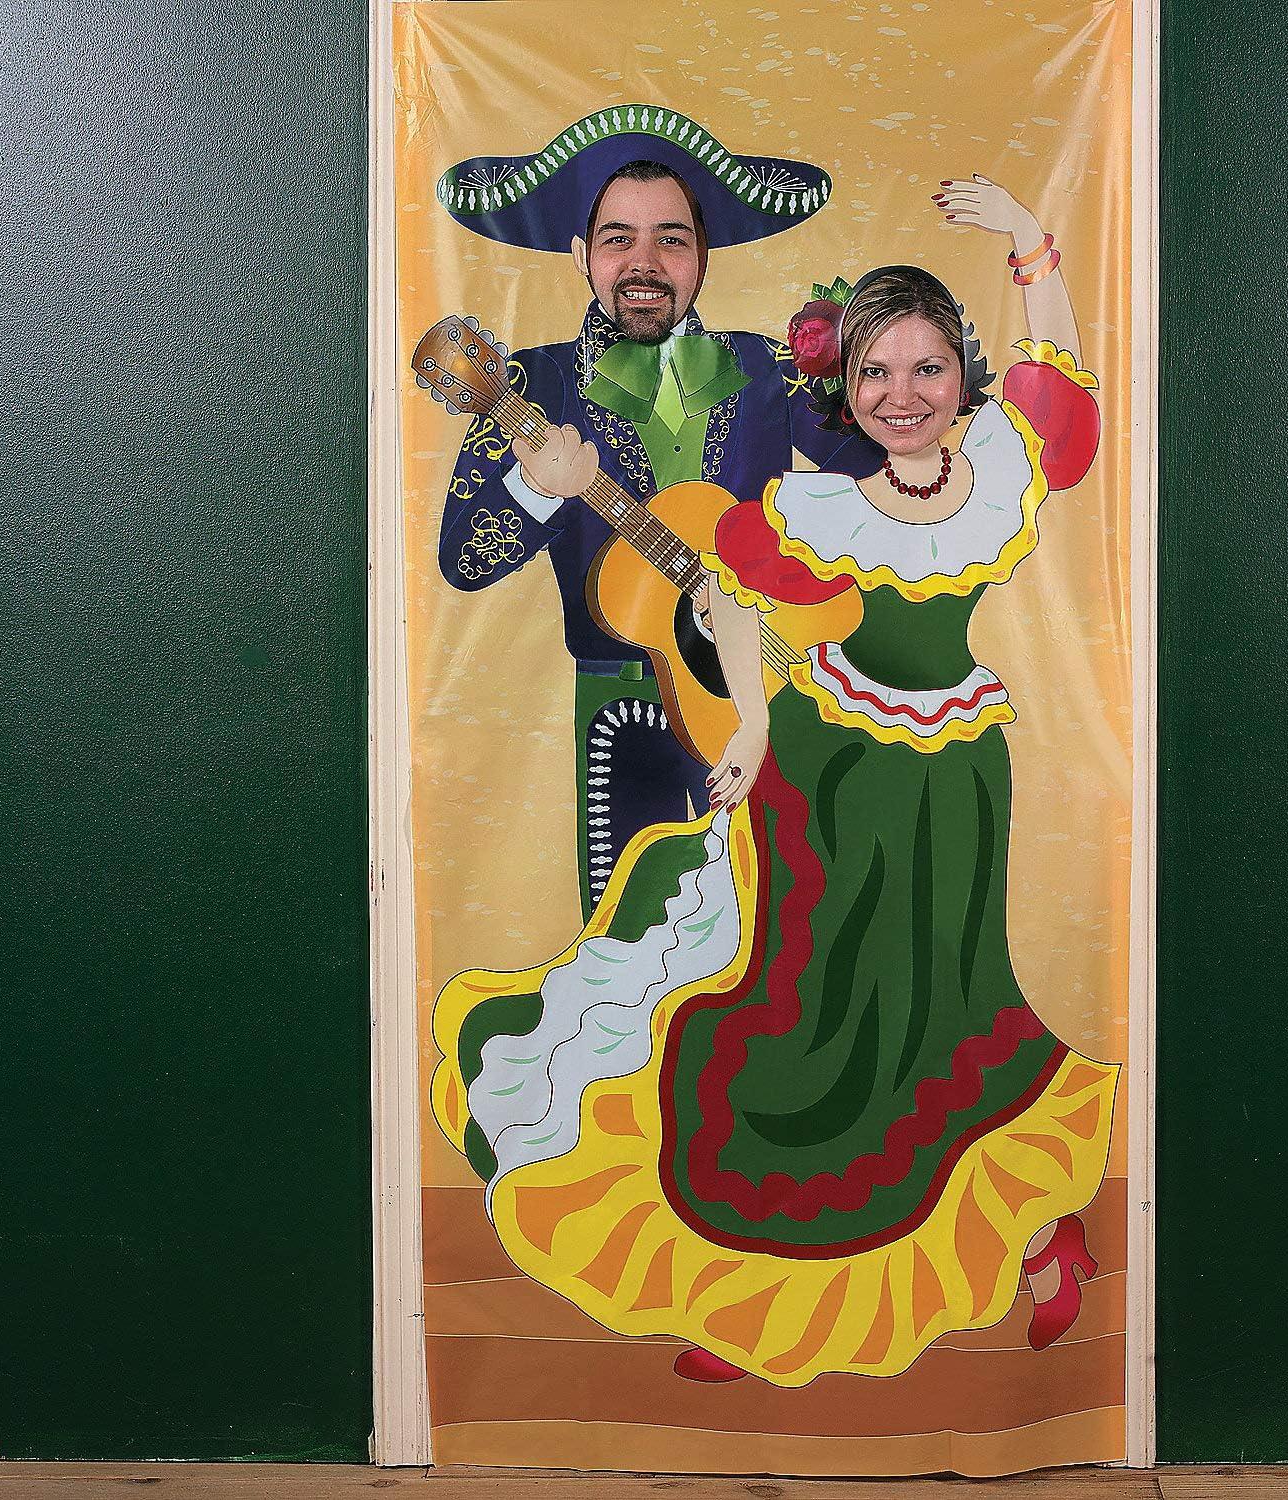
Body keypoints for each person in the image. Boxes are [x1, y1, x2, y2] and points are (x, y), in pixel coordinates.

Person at [431, 176, 1120, 1388]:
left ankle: (1034, 1230)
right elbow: (721, 591)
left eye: (925, 369)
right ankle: (764, 1291)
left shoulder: (963, 451)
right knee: (794, 1018)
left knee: (948, 1001)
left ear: (962, 377)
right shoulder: (789, 496)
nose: (901, 394)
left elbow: (1056, 379)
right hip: (809, 769)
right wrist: (750, 723)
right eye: (875, 374)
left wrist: (1028, 242)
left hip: (955, 776)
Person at [434, 108, 879, 915]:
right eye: (619, 239)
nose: (645, 262)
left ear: (702, 256)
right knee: (625, 932)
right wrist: (536, 490)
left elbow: (885, 472)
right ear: (582, 256)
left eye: (671, 239)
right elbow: (462, 561)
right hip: (623, 708)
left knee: (778, 926)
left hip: (769, 694)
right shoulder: (529, 386)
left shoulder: (767, 368)